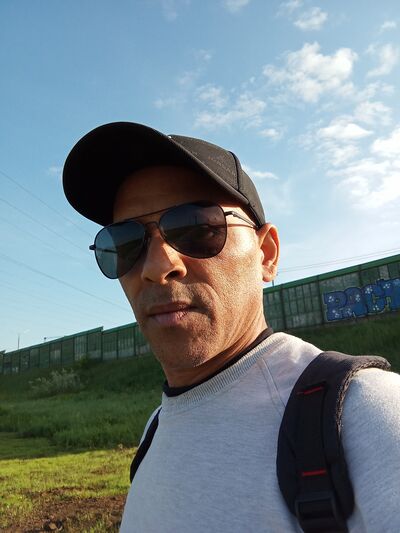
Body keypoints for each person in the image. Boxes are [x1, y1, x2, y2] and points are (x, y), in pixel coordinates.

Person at [63, 122, 400, 533]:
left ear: (266, 254)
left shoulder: (367, 415)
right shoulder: (156, 429)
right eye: (124, 243)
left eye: (197, 227)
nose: (157, 266)